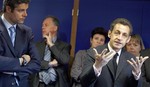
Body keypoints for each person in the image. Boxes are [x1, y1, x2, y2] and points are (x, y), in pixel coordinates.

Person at [79, 18, 149, 87]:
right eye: (117, 33)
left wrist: (136, 75)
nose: (119, 38)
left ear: (128, 39)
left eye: (124, 35)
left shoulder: (132, 59)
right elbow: (84, 83)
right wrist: (97, 67)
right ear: (109, 34)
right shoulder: (94, 53)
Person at [0, 0, 40, 87]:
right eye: (21, 10)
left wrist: (10, 68)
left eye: (26, 10)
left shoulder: (27, 31)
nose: (25, 14)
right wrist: (21, 61)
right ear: (8, 9)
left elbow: (36, 63)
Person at [33, 15, 71, 87]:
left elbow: (65, 60)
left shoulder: (64, 46)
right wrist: (50, 64)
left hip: (56, 83)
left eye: (46, 25)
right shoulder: (36, 45)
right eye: (42, 25)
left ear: (55, 28)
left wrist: (51, 44)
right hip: (38, 83)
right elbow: (34, 63)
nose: (42, 27)